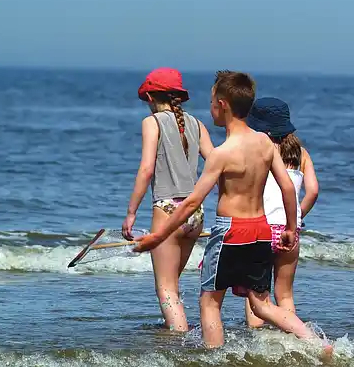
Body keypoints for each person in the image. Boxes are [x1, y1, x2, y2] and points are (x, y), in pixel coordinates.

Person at [133, 71, 328, 353]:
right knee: (262, 304)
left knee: (209, 302)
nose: (209, 107)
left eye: (212, 101)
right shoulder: (264, 143)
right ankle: (317, 343)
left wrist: (158, 235)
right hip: (261, 229)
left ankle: (214, 357)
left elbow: (191, 202)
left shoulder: (222, 154)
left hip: (230, 232)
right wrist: (288, 227)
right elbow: (287, 187)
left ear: (222, 105)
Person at [121, 67, 215, 332]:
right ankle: (177, 333)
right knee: (173, 283)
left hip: (167, 209)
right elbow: (218, 163)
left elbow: (146, 169)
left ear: (150, 96)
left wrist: (131, 213)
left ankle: (179, 344)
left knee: (166, 289)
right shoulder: (197, 124)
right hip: (194, 214)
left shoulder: (151, 122)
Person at [243, 97, 319, 328]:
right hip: (289, 231)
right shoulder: (301, 153)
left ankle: (257, 338)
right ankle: (292, 335)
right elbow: (313, 191)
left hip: (261, 229)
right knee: (285, 294)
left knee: (257, 293)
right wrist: (294, 219)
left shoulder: (257, 149)